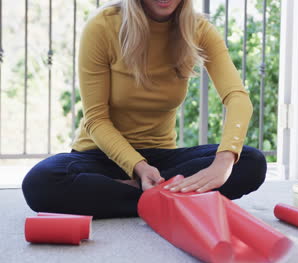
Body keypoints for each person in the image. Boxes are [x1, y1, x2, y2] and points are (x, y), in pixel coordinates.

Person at [22, 0, 266, 219]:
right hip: (100, 155)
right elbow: (96, 119)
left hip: (161, 161)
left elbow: (237, 97)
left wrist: (224, 160)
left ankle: (133, 193)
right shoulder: (102, 26)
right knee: (41, 182)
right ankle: (168, 197)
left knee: (251, 162)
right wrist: (138, 168)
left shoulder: (199, 30)